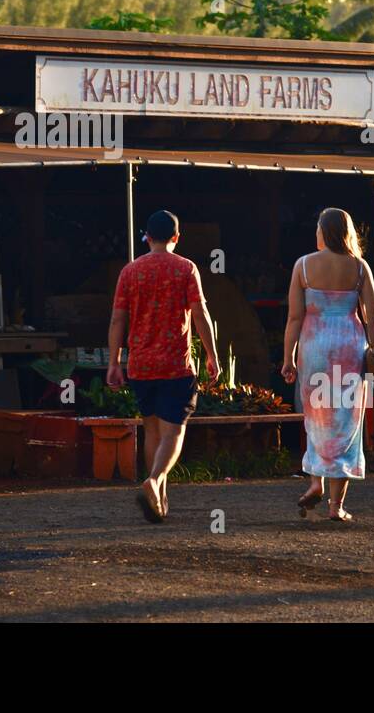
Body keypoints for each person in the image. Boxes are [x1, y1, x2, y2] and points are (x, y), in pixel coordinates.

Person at [107, 209, 218, 523]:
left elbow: (117, 319)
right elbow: (200, 315)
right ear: (176, 237)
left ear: (147, 236)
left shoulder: (130, 272)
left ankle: (160, 501)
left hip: (140, 365)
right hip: (175, 365)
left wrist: (115, 361)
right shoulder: (186, 269)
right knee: (174, 432)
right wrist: (212, 355)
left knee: (152, 429)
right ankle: (154, 481)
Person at [281, 207, 374, 522]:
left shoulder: (304, 266)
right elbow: (373, 318)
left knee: (317, 417)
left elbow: (294, 318)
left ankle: (315, 481)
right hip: (350, 346)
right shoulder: (360, 267)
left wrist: (288, 358)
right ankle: (336, 507)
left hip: (315, 347)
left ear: (322, 232)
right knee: (346, 423)